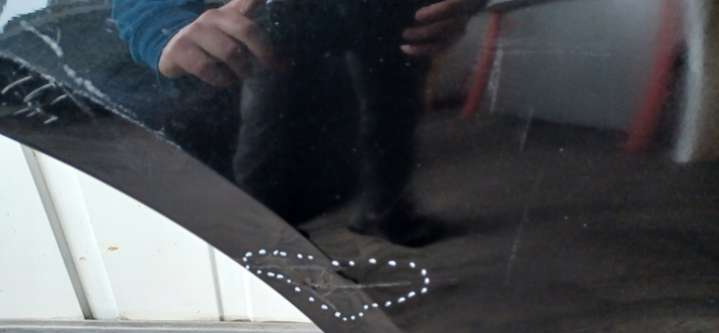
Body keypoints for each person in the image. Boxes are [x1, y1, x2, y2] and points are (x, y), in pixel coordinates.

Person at [113, 0, 485, 245]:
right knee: (269, 141)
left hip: (394, 17)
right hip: (283, 21)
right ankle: (275, 251)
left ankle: (384, 211)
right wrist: (161, 25)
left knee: (393, 115)